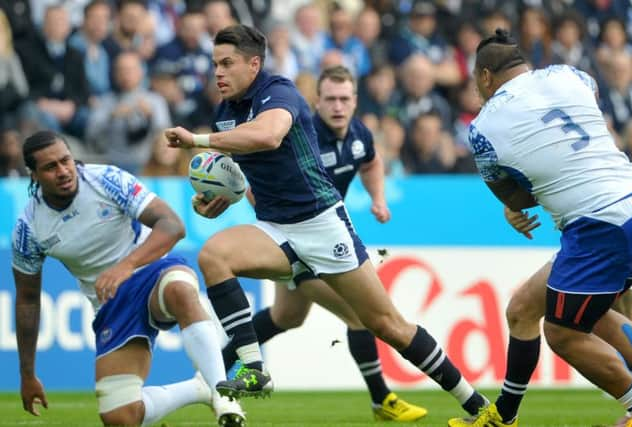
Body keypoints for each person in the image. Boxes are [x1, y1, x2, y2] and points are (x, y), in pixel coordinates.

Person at [165, 24, 488, 419]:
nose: (218, 72)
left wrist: (197, 140)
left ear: (254, 64)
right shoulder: (225, 114)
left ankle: (477, 404)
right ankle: (252, 367)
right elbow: (240, 176)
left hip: (321, 225)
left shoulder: (278, 91)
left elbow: (268, 136)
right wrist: (217, 200)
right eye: (215, 63)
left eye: (227, 63)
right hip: (275, 228)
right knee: (214, 255)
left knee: (387, 325)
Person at [447, 29, 632, 427]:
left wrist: (512, 208)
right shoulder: (569, 75)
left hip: (598, 226)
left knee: (563, 332)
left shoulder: (483, 128)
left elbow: (518, 199)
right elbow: (590, 109)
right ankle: (505, 415)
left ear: (485, 77)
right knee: (524, 308)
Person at [219, 65, 426, 421]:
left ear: (355, 101)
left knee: (287, 316)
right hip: (296, 243)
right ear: (316, 101)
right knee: (361, 315)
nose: (337, 106)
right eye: (330, 99)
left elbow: (372, 162)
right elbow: (257, 182)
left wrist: (378, 199)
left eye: (344, 99)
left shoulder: (359, 134)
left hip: (323, 243)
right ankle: (382, 401)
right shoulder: (301, 131)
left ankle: (216, 367)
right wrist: (275, 220)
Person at [12, 131, 244, 427]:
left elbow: (172, 226)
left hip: (151, 272)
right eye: (50, 167)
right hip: (111, 304)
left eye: (66, 161)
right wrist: (27, 375)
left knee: (181, 291)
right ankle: (200, 387)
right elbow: (28, 300)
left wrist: (127, 265)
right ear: (33, 174)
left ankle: (223, 392)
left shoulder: (106, 179)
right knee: (120, 418)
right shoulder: (29, 228)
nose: (63, 171)